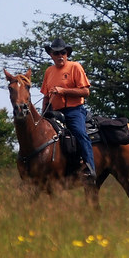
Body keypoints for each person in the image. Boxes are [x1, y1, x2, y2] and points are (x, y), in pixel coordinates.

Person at [40, 38, 96, 182]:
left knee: (80, 133)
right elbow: (46, 95)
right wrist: (43, 114)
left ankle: (90, 168)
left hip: (74, 110)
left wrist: (63, 91)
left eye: (62, 53)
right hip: (54, 111)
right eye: (56, 53)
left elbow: (85, 92)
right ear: (51, 55)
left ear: (67, 53)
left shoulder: (75, 67)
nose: (60, 56)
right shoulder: (49, 71)